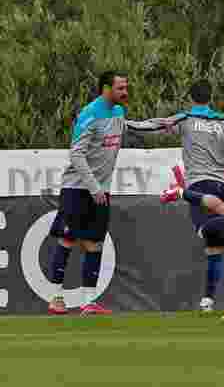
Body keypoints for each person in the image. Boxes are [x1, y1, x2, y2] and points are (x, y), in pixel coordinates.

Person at [47, 71, 170, 315]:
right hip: (77, 188)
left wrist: (159, 123)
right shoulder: (90, 114)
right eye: (121, 88)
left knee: (94, 243)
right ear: (106, 89)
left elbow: (131, 126)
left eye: (126, 87)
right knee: (67, 239)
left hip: (101, 191)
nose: (125, 92)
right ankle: (55, 298)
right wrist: (93, 187)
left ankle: (87, 302)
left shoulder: (118, 112)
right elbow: (77, 154)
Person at [136, 79, 224, 313]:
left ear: (190, 98)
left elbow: (155, 125)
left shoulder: (186, 118)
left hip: (199, 185)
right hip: (220, 185)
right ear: (210, 97)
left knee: (205, 231)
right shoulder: (223, 122)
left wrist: (127, 125)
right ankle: (208, 301)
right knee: (214, 249)